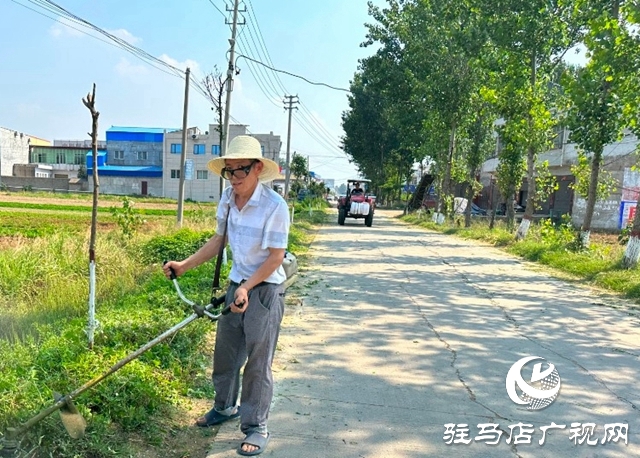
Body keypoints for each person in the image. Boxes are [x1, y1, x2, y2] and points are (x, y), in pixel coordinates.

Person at [163, 135, 289, 456]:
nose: (233, 178)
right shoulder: (228, 201)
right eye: (228, 171)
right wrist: (184, 265)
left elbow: (276, 257)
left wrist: (248, 288)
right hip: (237, 286)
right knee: (226, 354)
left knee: (258, 363)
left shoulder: (275, 207)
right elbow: (218, 241)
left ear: (258, 169)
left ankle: (256, 425)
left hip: (263, 291)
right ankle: (224, 407)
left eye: (239, 171)